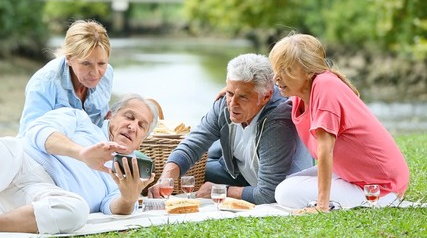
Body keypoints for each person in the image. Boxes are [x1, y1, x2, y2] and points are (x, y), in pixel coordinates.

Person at [269, 33, 410, 213]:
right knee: (286, 183)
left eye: (285, 70)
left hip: (380, 187)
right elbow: (267, 92)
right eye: (276, 69)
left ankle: (339, 202)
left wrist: (322, 206)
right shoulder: (300, 92)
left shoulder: (325, 87)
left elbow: (325, 150)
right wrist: (232, 90)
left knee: (284, 192)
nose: (276, 78)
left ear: (309, 71)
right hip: (350, 173)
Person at [148, 53, 313, 205]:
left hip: (276, 185)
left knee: (209, 168)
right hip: (243, 172)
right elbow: (193, 144)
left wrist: (221, 190)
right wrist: (166, 178)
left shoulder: (278, 122)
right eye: (230, 93)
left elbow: (268, 194)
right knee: (200, 162)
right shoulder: (224, 105)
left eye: (243, 97)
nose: (232, 104)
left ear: (266, 96)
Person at [0, 94, 158, 234]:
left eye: (141, 125)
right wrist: (81, 153)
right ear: (110, 116)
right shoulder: (79, 119)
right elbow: (37, 130)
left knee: (76, 212)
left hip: (45, 191)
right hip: (21, 160)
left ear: (141, 142)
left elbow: (113, 207)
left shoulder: (127, 174)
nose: (132, 127)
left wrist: (128, 199)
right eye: (129, 117)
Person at [17, 19, 113, 137]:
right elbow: (30, 135)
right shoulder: (44, 82)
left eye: (101, 63)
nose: (95, 73)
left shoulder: (107, 73)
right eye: (86, 63)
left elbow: (101, 123)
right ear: (69, 58)